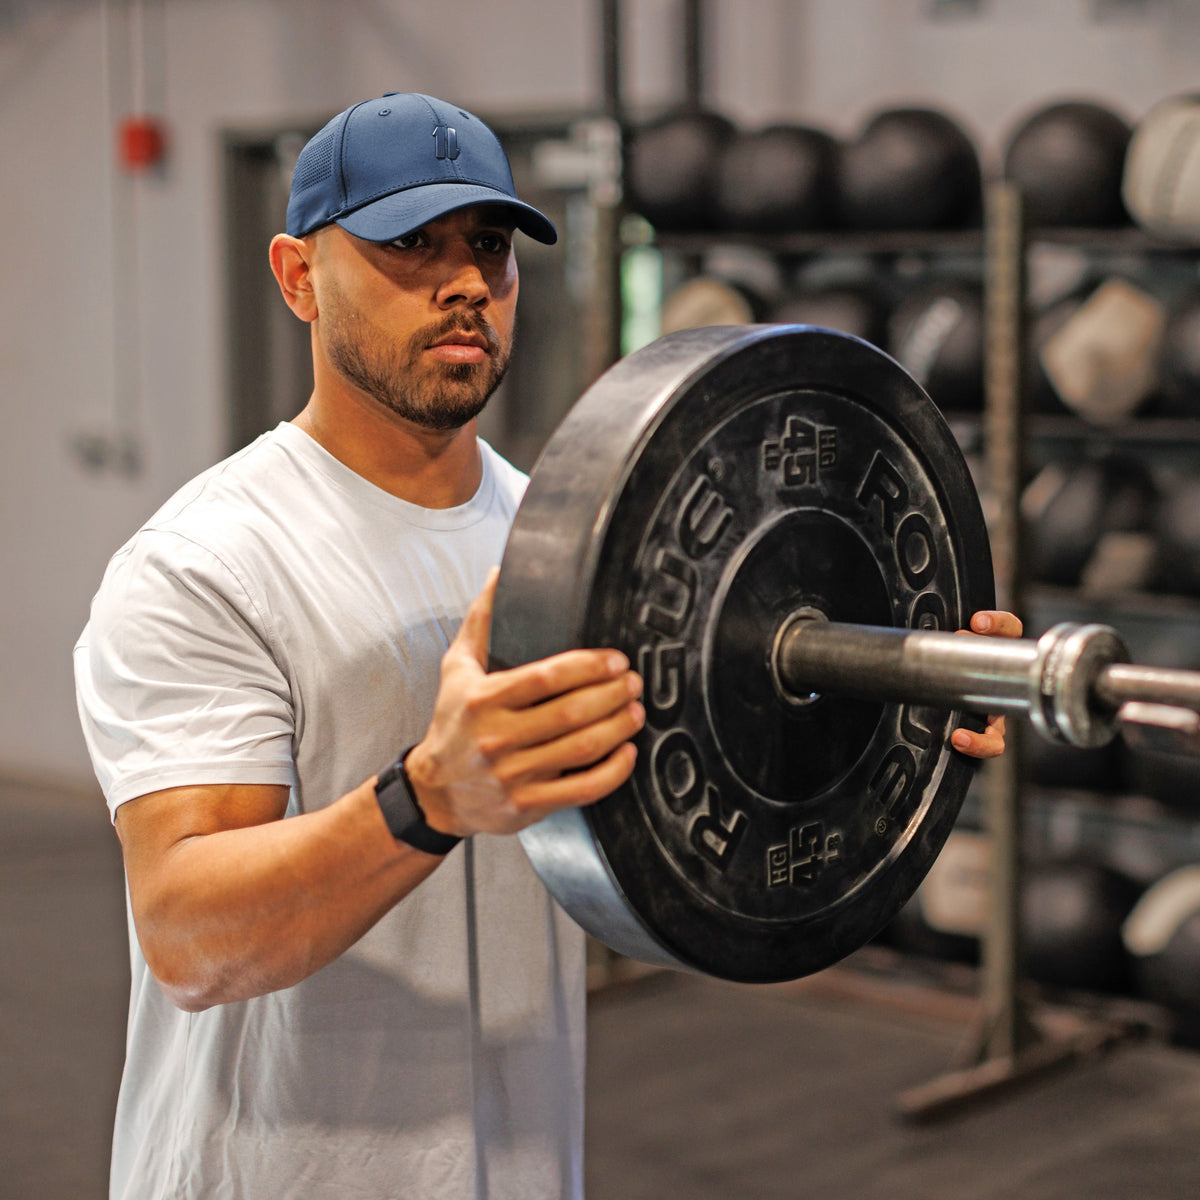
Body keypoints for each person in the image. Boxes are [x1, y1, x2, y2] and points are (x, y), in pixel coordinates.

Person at [74, 91, 1021, 1200]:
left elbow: (704, 800)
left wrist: (893, 698)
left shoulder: (584, 542)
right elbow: (190, 936)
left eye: (489, 247)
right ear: (296, 276)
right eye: (408, 246)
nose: (465, 280)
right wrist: (427, 797)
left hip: (517, 1161)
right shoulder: (208, 563)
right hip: (278, 1172)